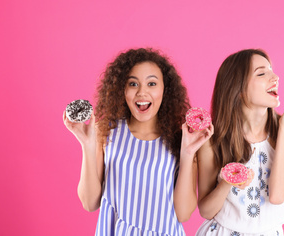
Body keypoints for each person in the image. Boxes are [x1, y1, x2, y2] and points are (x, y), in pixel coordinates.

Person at [63, 48, 213, 236]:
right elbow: (89, 202)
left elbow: (183, 214)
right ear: (122, 89)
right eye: (133, 84)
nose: (142, 92)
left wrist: (188, 153)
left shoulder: (182, 138)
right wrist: (87, 144)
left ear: (165, 90)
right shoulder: (106, 131)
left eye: (152, 83)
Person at [196, 49, 284, 236]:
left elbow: (277, 195)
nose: (275, 77)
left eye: (272, 70)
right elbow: (206, 211)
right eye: (262, 73)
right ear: (238, 90)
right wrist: (226, 182)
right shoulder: (212, 140)